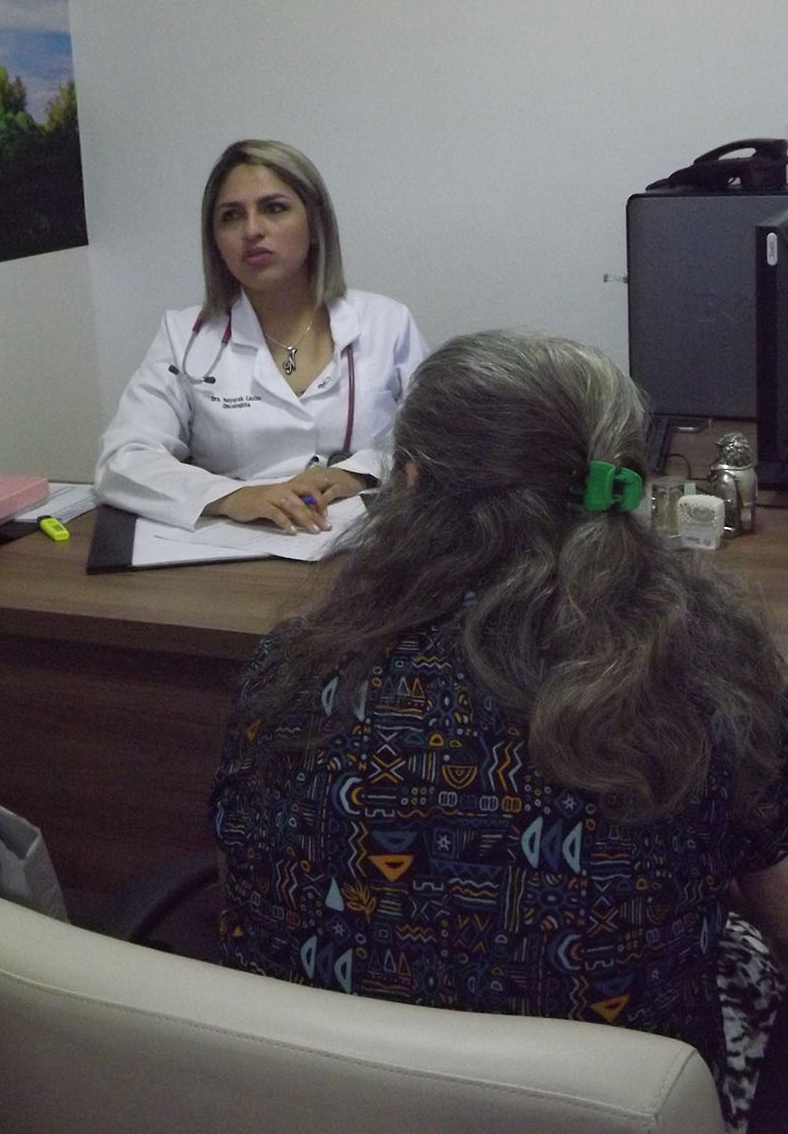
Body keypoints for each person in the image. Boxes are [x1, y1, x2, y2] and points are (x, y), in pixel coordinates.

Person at [211, 331, 788, 1132]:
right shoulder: (701, 677)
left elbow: (245, 875)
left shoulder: (293, 667)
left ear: (409, 483)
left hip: (318, 1104)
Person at [95, 140, 427, 532]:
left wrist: (359, 472)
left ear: (315, 225)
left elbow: (440, 439)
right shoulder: (185, 335)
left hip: (368, 546)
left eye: (274, 208)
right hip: (240, 548)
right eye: (231, 216)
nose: (251, 230)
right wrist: (233, 497)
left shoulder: (387, 323)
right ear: (215, 240)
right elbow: (123, 459)